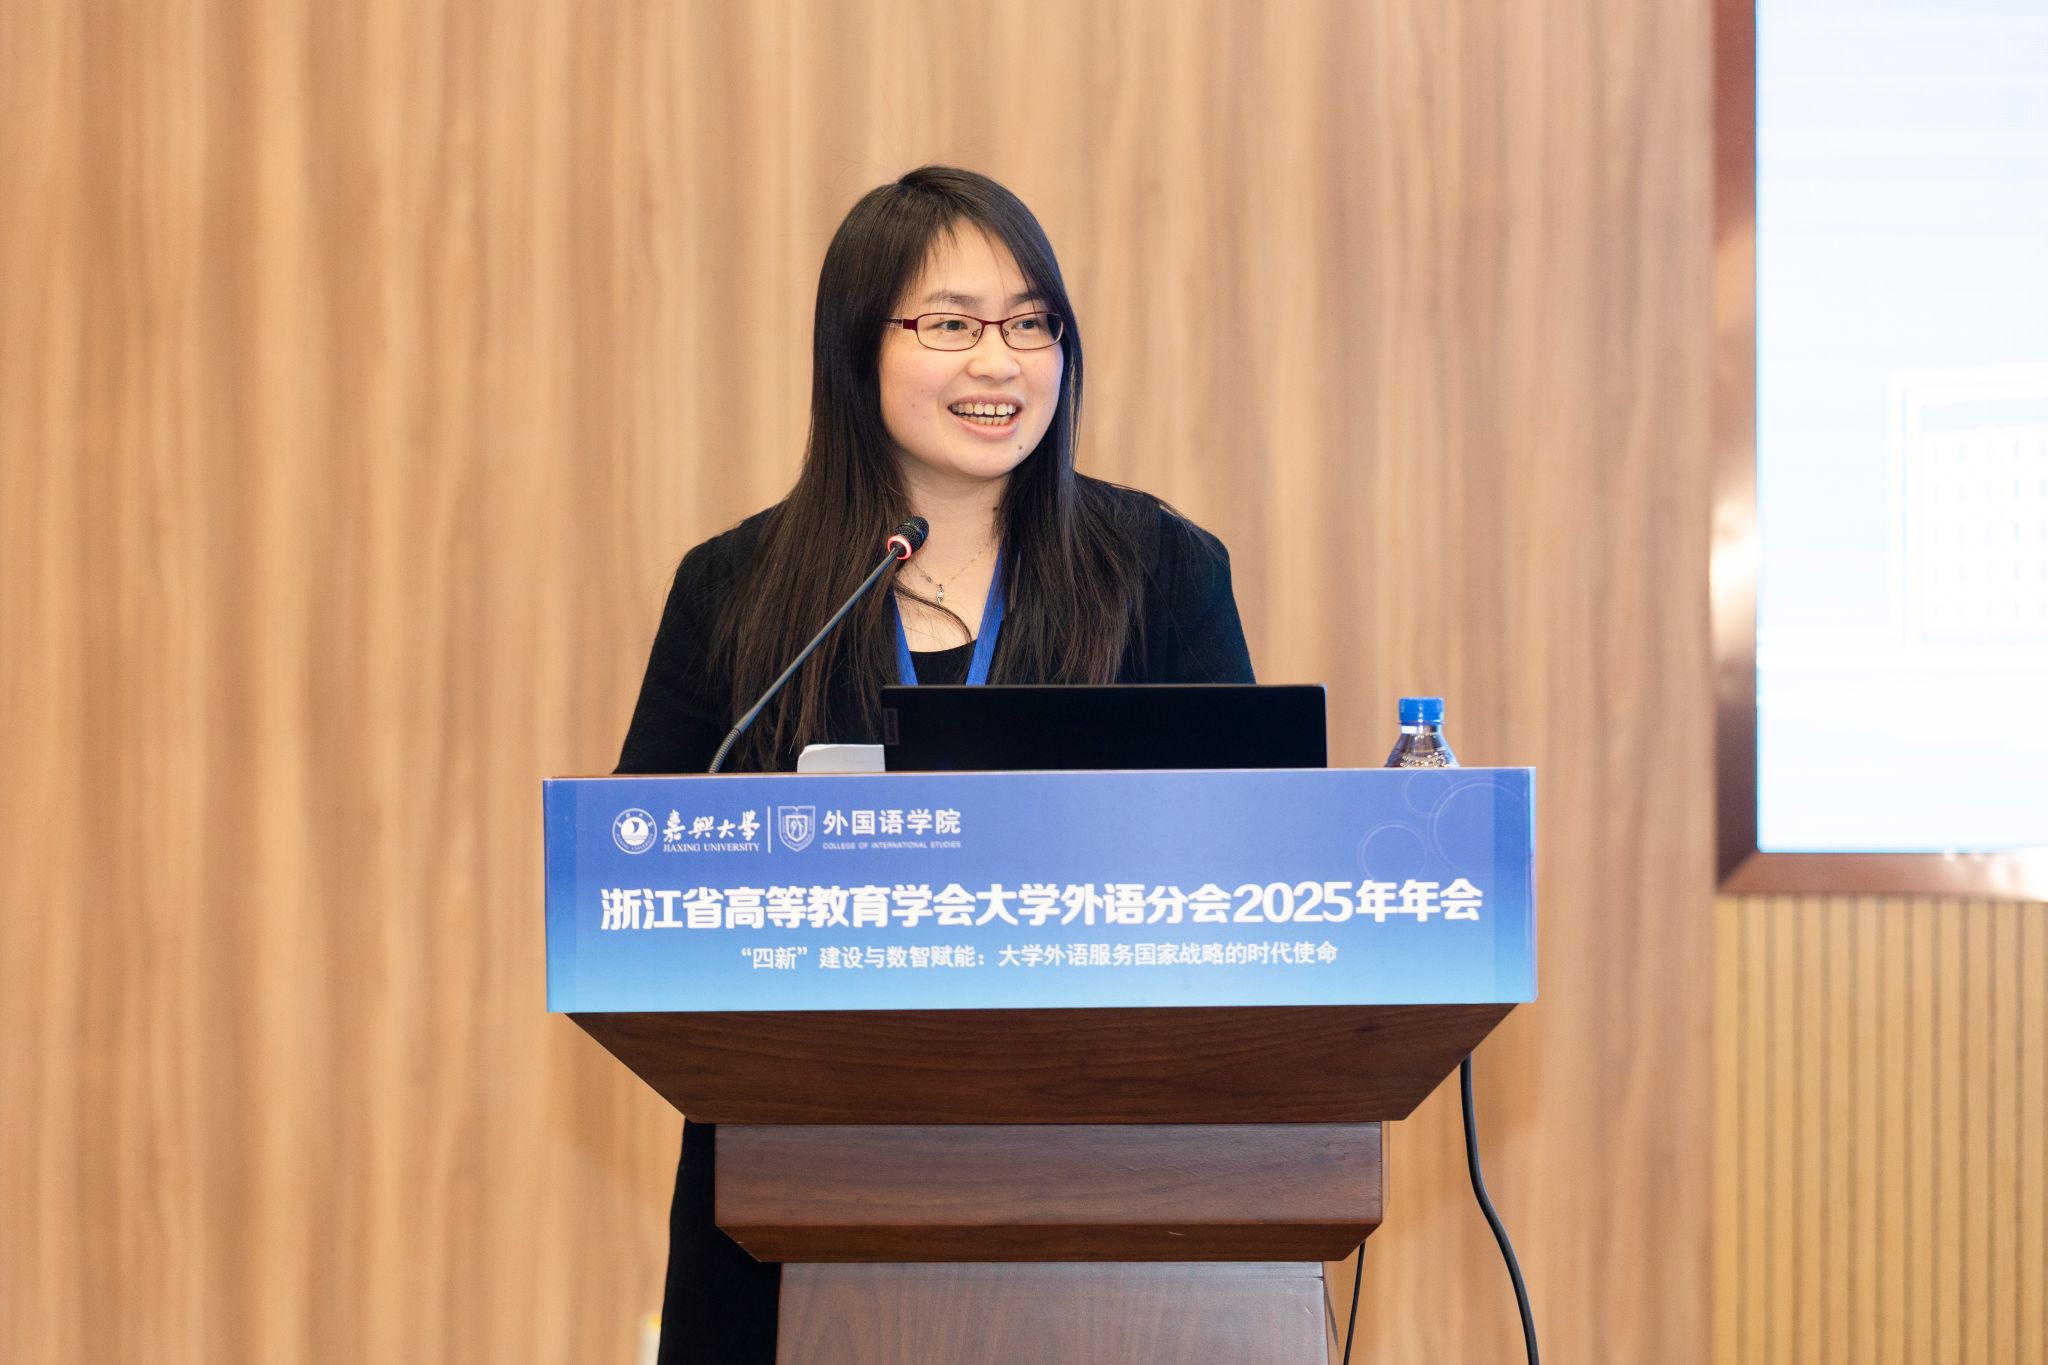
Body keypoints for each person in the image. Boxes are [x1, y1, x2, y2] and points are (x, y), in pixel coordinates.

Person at [614, 165, 1255, 1364]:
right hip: (794, 1175)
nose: (999, 362)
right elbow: (637, 879)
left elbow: (1246, 861)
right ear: (855, 349)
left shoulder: (1160, 572)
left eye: (1030, 323)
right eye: (951, 325)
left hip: (1108, 1171)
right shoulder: (737, 592)